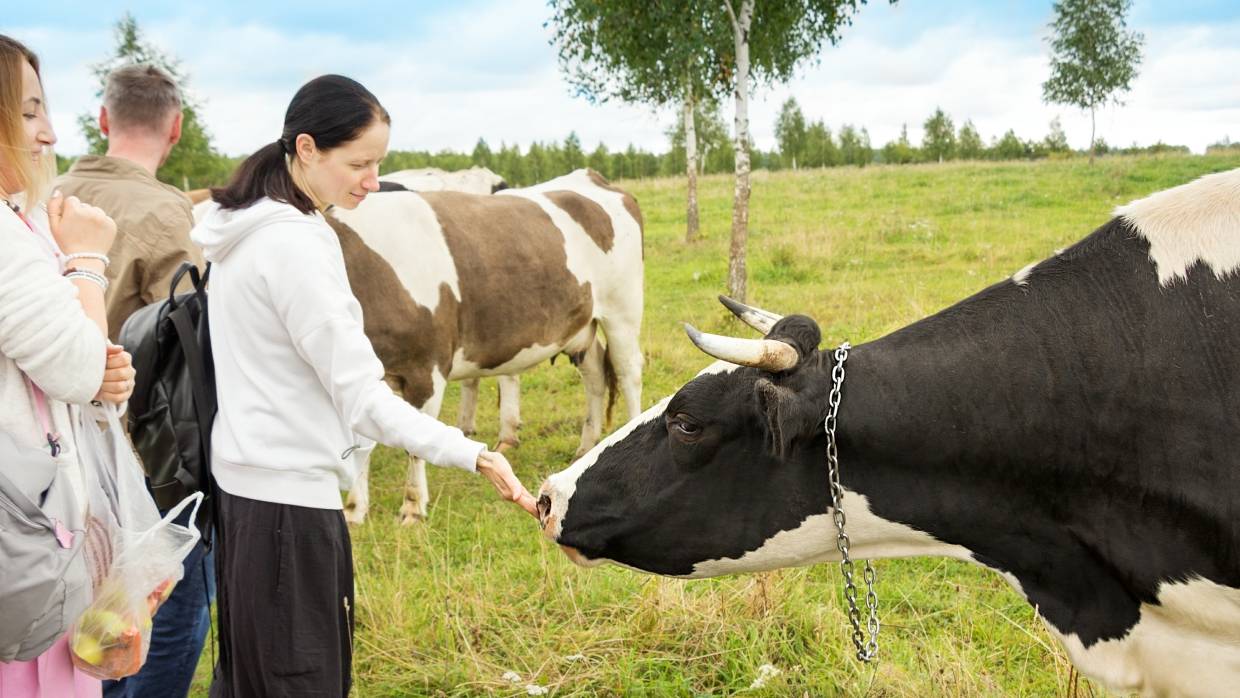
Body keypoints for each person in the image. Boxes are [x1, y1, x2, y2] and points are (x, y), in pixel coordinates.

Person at [193, 74, 538, 697]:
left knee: (249, 682)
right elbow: (362, 396)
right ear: (306, 148)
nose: (373, 182)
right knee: (304, 682)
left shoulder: (241, 229)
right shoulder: (297, 243)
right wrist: (471, 452)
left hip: (243, 498)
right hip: (289, 514)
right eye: (359, 163)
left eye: (378, 163)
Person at [54, 63, 211, 698]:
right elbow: (194, 349)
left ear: (101, 119)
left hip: (54, 459)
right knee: (166, 610)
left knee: (76, 618)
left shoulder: (45, 199)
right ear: (175, 128)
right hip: (144, 460)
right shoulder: (170, 216)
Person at [0, 34, 135, 698]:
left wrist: (100, 369)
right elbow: (84, 371)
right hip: (22, 545)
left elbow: (88, 371)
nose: (50, 132)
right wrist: (85, 258)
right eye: (27, 111)